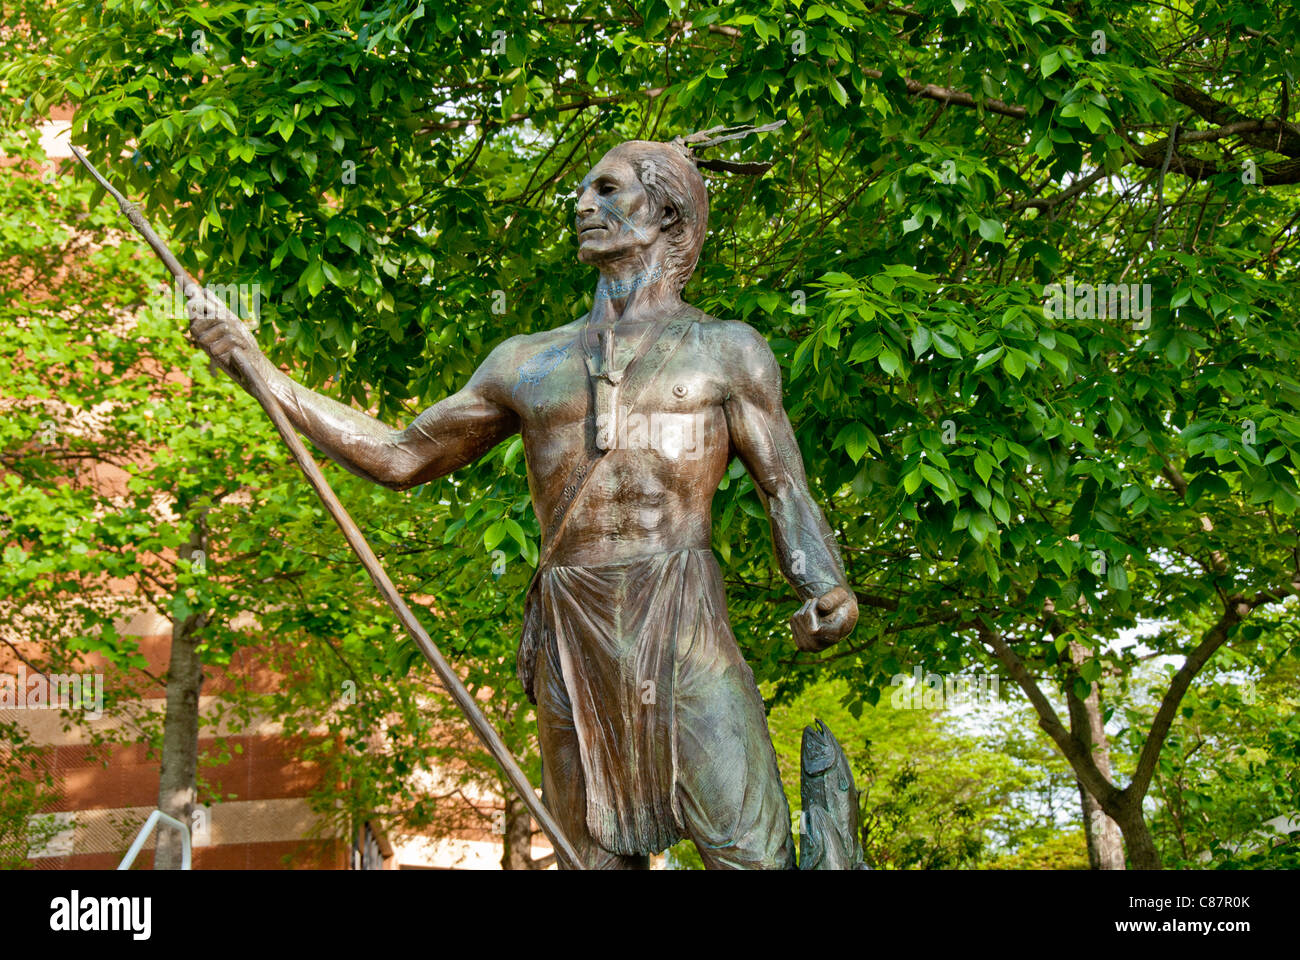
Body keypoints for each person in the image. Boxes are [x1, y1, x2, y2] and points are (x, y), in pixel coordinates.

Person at [189, 138, 858, 869]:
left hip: (683, 612)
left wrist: (823, 583)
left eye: (605, 190)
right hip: (572, 625)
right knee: (589, 860)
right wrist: (258, 371)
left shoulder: (728, 350)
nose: (582, 205)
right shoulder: (527, 361)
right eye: (581, 192)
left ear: (668, 210)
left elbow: (784, 486)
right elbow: (401, 454)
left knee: (751, 854)